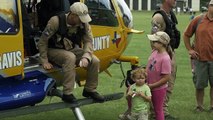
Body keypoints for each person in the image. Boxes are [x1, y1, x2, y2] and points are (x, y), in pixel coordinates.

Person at [37, 2, 105, 103]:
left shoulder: (84, 24)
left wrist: (86, 57)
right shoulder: (56, 21)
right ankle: (67, 93)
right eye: (80, 18)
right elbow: (42, 41)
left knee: (94, 60)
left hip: (71, 49)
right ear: (72, 15)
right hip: (53, 50)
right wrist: (44, 60)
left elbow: (88, 41)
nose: (83, 21)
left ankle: (90, 90)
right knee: (70, 57)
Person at [151, 0, 180, 119]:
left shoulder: (170, 15)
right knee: (161, 83)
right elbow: (153, 38)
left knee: (169, 83)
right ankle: (156, 112)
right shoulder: (158, 17)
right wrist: (160, 55)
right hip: (162, 54)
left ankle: (163, 110)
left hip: (170, 52)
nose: (175, 0)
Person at [183, 0, 213, 112]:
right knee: (199, 85)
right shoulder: (198, 20)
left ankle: (212, 106)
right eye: (212, 5)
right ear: (209, 6)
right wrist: (190, 50)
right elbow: (186, 35)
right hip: (200, 59)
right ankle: (199, 106)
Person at [147, 31, 172, 120]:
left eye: (155, 41)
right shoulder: (154, 51)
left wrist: (152, 86)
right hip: (149, 86)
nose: (153, 43)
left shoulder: (165, 58)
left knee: (158, 110)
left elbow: (166, 78)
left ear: (162, 44)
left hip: (158, 89)